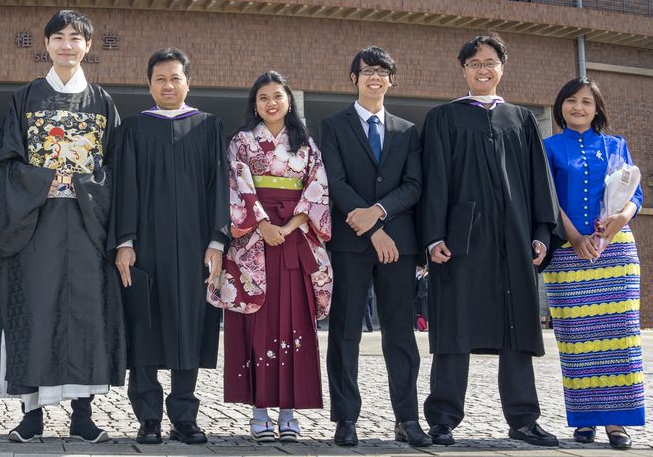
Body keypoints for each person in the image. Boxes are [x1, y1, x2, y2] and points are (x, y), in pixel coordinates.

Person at [0, 10, 125, 443]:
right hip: (37, 225)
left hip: (87, 227)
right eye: (59, 37)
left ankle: (83, 415)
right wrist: (45, 180)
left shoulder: (102, 102)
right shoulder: (25, 98)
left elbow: (117, 170)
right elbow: (5, 163)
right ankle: (31, 415)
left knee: (87, 313)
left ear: (88, 45)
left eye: (76, 38)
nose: (67, 46)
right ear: (45, 44)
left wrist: (82, 184)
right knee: (35, 308)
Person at [419, 35, 560, 447]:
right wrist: (433, 238)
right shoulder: (445, 118)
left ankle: (523, 419)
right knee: (454, 327)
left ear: (503, 67)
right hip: (461, 241)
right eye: (474, 63)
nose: (483, 69)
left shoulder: (521, 120)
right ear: (463, 69)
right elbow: (433, 183)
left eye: (491, 62)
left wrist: (539, 233)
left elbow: (539, 182)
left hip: (512, 239)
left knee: (517, 327)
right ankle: (442, 418)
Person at [112, 48, 230, 445]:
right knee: (144, 328)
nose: (168, 85)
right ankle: (148, 418)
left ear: (187, 82)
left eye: (175, 78)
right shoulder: (132, 129)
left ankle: (184, 416)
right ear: (148, 84)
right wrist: (124, 242)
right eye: (160, 78)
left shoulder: (208, 127)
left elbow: (221, 187)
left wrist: (217, 240)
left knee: (186, 326)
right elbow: (123, 187)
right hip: (146, 246)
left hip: (196, 245)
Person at [319, 46, 431, 447]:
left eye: (382, 71)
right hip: (351, 243)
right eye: (367, 71)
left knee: (400, 333)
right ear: (354, 79)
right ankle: (345, 419)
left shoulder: (406, 130)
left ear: (392, 80)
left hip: (399, 247)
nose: (374, 77)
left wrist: (379, 213)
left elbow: (414, 186)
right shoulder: (332, 126)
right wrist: (370, 228)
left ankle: (407, 419)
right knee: (345, 331)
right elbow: (335, 182)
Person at [217, 71, 332, 443]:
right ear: (255, 104)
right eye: (263, 97)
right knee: (258, 323)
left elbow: (317, 190)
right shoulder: (242, 143)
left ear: (288, 102)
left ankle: (288, 413)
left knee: (294, 323)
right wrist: (264, 224)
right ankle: (260, 411)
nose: (271, 103)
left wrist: (292, 224)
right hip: (254, 240)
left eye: (278, 96)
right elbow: (236, 185)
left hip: (294, 236)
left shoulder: (307, 145)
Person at [541, 77, 644, 449]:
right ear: (560, 107)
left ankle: (618, 423)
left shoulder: (616, 146)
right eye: (571, 101)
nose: (578, 107)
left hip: (614, 253)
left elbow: (636, 192)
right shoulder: (548, 148)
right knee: (576, 339)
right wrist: (574, 237)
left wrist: (619, 221)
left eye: (586, 102)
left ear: (597, 108)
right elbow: (547, 199)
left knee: (619, 337)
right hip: (568, 255)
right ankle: (584, 419)